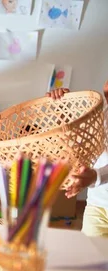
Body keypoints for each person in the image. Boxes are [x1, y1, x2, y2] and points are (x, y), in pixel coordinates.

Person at [48, 81, 108, 237]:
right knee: (92, 257)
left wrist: (95, 177)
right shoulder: (101, 115)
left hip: (97, 198)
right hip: (97, 206)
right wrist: (61, 108)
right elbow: (73, 144)